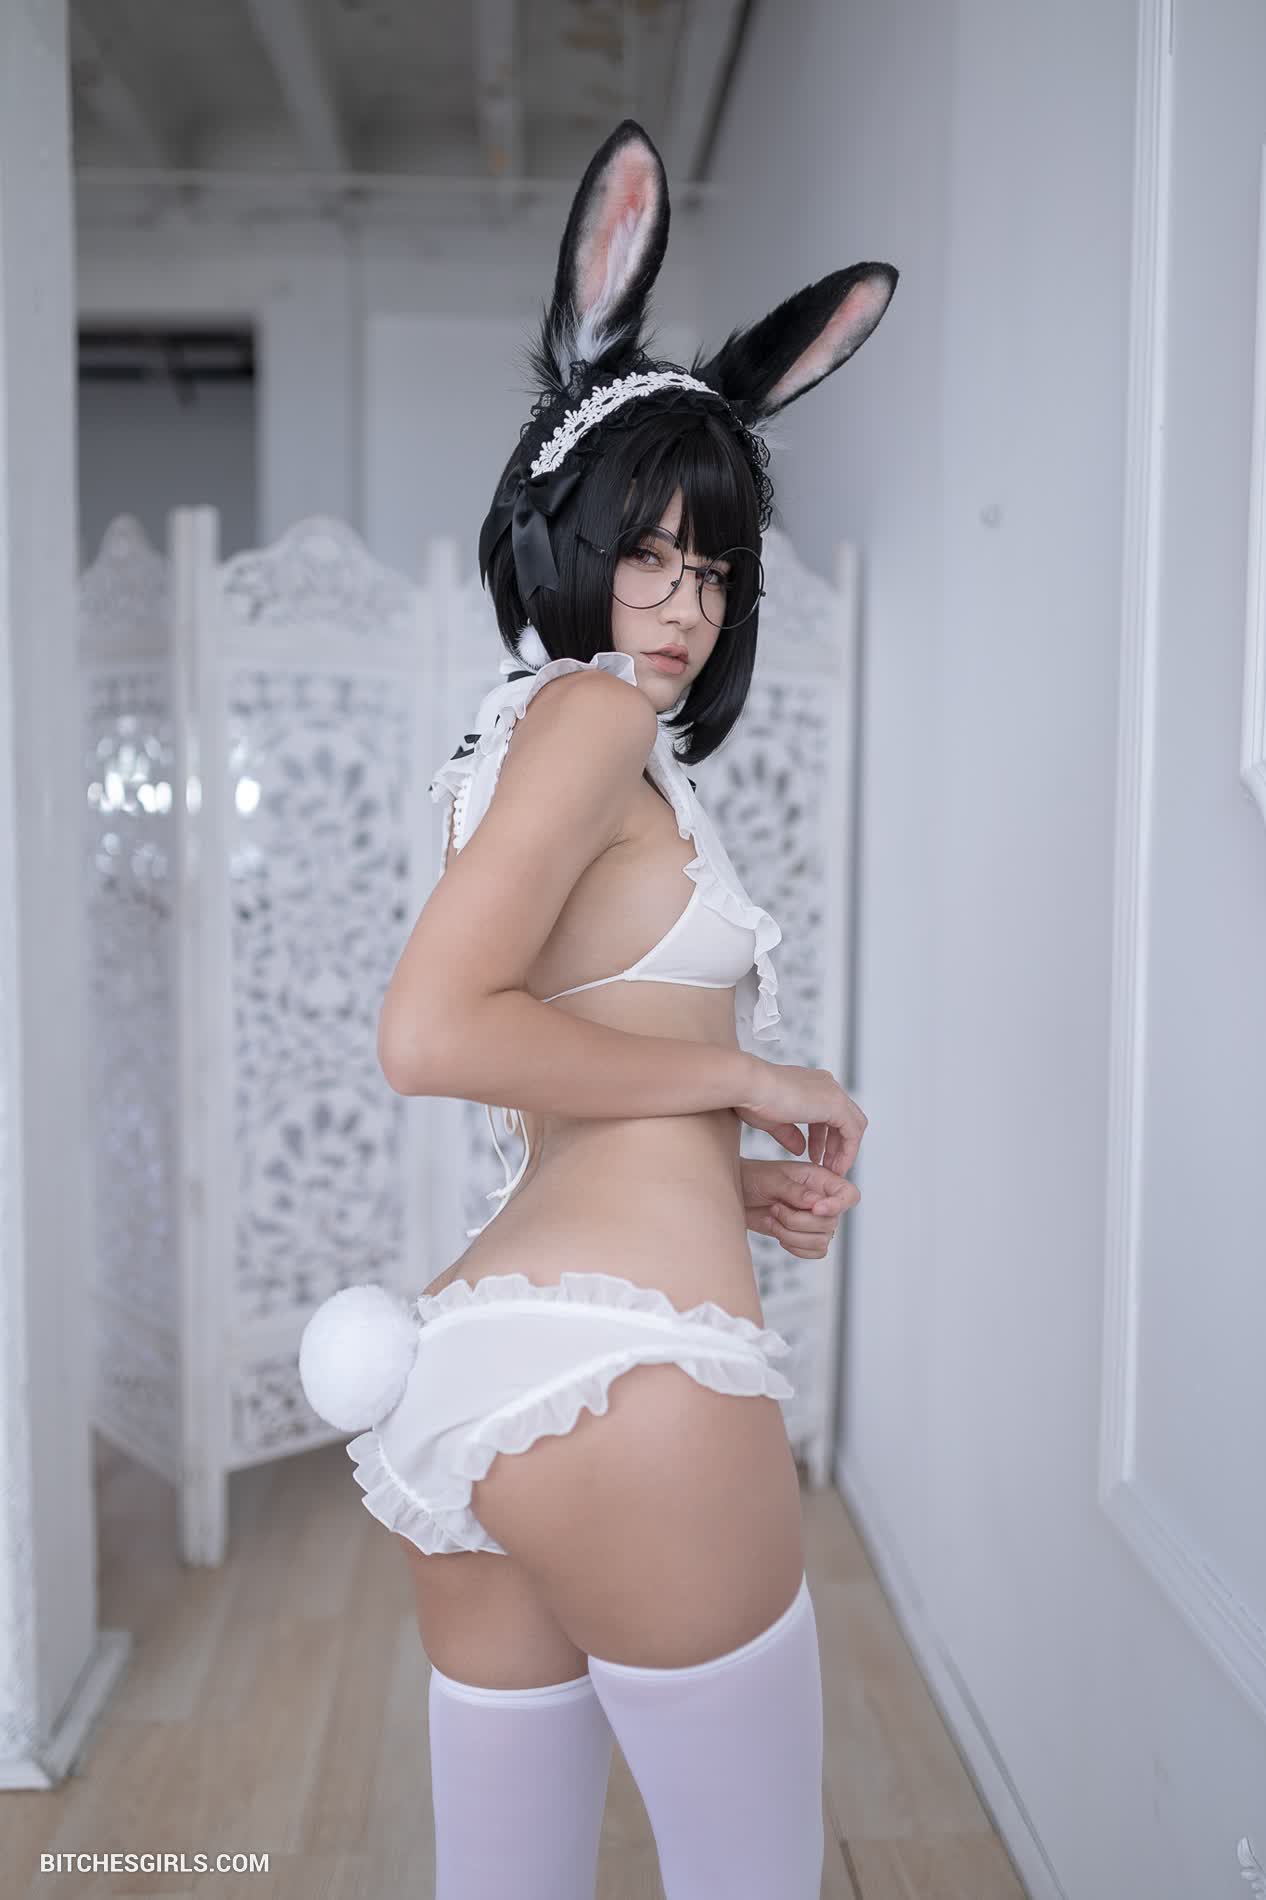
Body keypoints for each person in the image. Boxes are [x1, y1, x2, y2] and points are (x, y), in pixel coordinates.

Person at [299, 119, 896, 1900]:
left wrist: (722, 1168)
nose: (682, 607)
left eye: (712, 571)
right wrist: (750, 1074)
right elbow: (431, 1035)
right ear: (562, 532)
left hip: (471, 1370)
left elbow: (555, 1076)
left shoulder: (515, 741)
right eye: (648, 553)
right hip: (635, 1384)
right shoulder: (594, 719)